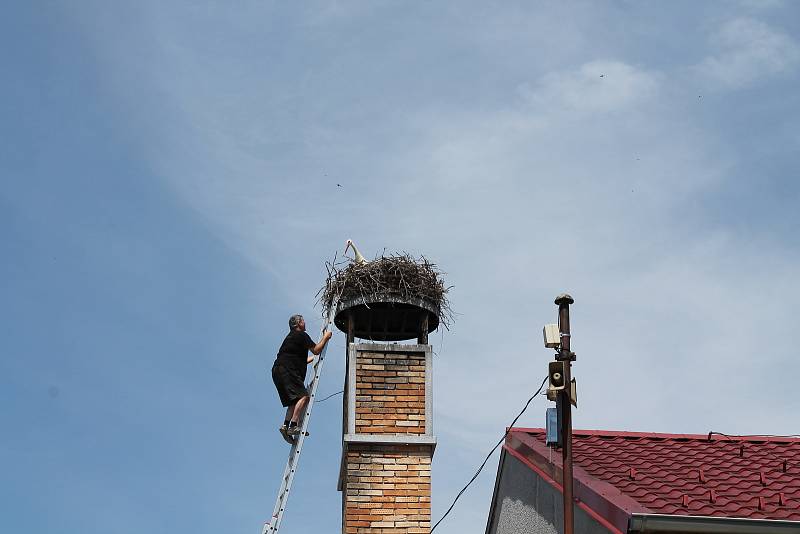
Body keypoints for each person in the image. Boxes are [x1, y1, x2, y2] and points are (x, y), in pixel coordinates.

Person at [272, 314, 332, 443]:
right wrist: (326, 337)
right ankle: (293, 426)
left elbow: (299, 359)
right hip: (287, 370)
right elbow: (316, 350)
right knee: (304, 397)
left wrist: (313, 360)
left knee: (293, 401)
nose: (305, 322)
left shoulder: (290, 338)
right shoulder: (301, 335)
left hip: (278, 370)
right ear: (298, 324)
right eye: (303, 321)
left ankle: (285, 426)